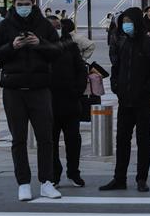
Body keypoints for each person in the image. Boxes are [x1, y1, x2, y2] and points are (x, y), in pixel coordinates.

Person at [0, 0, 63, 202]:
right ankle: (23, 183)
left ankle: (47, 182)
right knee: (18, 140)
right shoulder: (4, 26)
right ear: (14, 4)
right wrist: (12, 46)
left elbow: (58, 51)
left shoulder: (44, 25)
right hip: (13, 90)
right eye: (19, 5)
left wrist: (40, 44)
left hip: (40, 89)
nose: (23, 8)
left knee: (46, 138)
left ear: (33, 3)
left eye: (26, 5)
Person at [100, 8, 150, 193]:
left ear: (137, 22)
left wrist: (146, 89)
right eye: (124, 21)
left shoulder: (149, 44)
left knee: (143, 139)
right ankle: (119, 178)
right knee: (122, 139)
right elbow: (117, 68)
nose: (126, 25)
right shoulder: (124, 43)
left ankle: (141, 179)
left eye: (129, 21)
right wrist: (116, 86)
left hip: (144, 101)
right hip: (125, 100)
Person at [46, 16, 88, 188]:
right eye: (52, 27)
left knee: (73, 139)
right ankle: (55, 173)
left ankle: (73, 172)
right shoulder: (41, 47)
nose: (56, 29)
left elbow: (81, 70)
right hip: (48, 103)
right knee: (50, 141)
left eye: (58, 26)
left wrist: (77, 90)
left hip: (70, 101)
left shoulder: (70, 46)